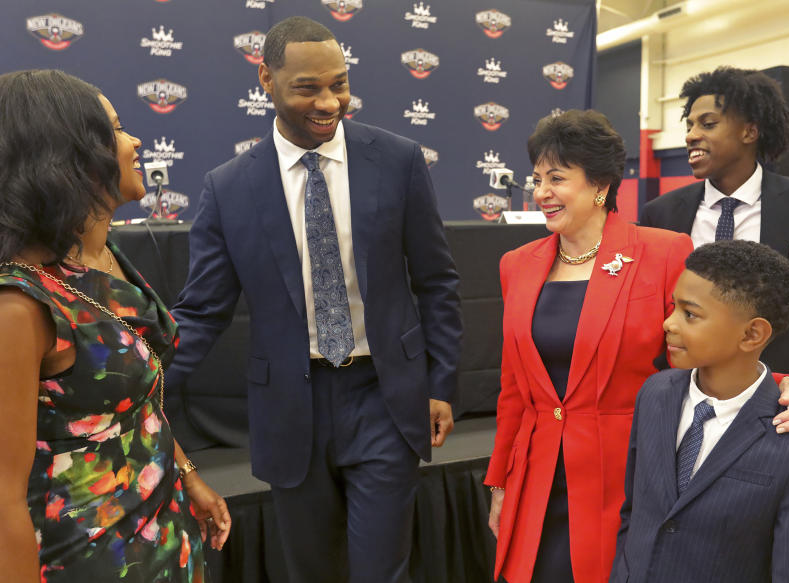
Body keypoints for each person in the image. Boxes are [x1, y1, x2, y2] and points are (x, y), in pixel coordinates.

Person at [165, 17, 462, 583]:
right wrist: (141, 379)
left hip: (385, 397)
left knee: (381, 570)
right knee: (312, 572)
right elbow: (203, 310)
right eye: (308, 88)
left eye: (339, 84)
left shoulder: (397, 161)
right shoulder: (228, 188)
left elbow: (437, 280)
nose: (330, 102)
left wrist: (441, 383)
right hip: (289, 409)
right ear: (266, 79)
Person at [484, 109, 789, 583]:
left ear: (600, 184)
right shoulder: (517, 264)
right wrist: (501, 482)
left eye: (557, 178)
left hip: (627, 472)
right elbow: (513, 387)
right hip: (536, 475)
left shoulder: (662, 250)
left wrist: (784, 387)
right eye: (537, 178)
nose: (541, 192)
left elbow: (711, 345)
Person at [0, 69, 230, 583]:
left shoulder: (101, 261)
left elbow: (130, 402)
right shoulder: (19, 305)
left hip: (163, 538)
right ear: (68, 155)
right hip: (88, 559)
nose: (134, 141)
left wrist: (186, 474)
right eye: (117, 130)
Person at [610, 240, 789, 583]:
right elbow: (634, 514)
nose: (669, 323)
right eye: (673, 307)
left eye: (690, 314)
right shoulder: (654, 395)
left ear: (752, 333)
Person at [639, 66, 789, 407]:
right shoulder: (660, 214)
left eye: (707, 124)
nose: (692, 135)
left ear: (750, 131)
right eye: (690, 125)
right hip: (688, 395)